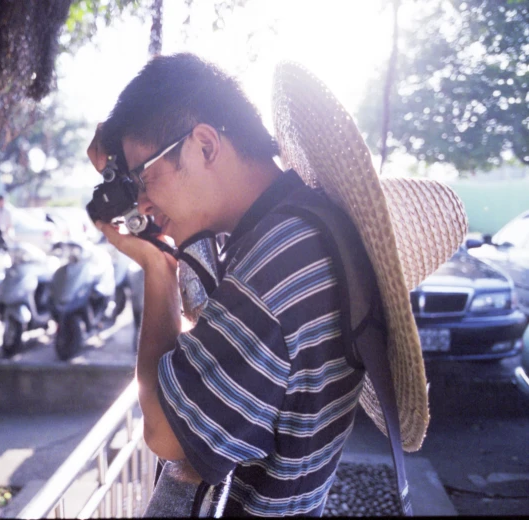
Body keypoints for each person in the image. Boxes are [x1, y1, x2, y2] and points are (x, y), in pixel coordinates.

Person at [87, 54, 466, 516]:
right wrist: (139, 195)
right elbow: (210, 331)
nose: (142, 202)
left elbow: (165, 432)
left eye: (145, 178)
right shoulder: (285, 231)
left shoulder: (281, 261)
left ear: (205, 146)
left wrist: (156, 269)